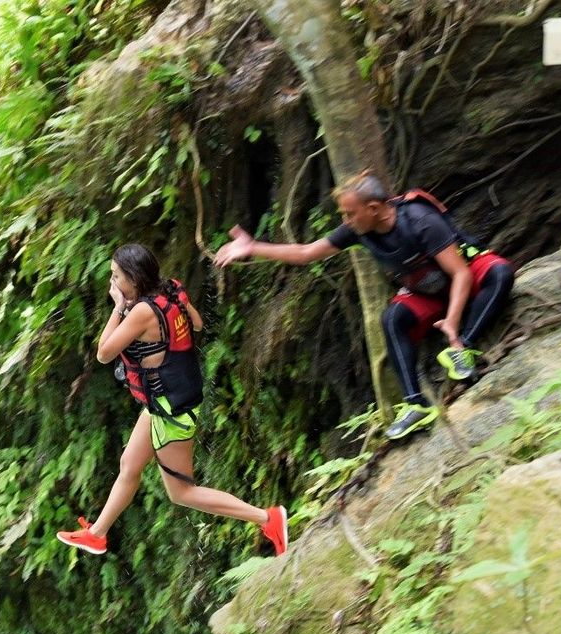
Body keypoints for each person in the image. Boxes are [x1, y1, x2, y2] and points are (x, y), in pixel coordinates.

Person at [215, 171, 515, 440]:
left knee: (500, 273)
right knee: (393, 319)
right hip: (426, 292)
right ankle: (415, 404)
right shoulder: (357, 230)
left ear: (373, 209)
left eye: (349, 214)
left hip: (462, 275)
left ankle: (463, 348)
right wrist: (253, 247)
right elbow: (307, 252)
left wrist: (452, 322)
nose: (345, 221)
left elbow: (460, 273)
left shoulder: (420, 220)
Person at [55, 243, 289, 557]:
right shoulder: (171, 291)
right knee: (129, 465)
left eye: (115, 277)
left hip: (171, 410)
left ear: (133, 280)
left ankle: (268, 518)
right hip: (167, 400)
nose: (112, 283)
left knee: (182, 492)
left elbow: (104, 353)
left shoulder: (141, 311)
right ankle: (97, 534)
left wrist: (117, 308)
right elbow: (196, 324)